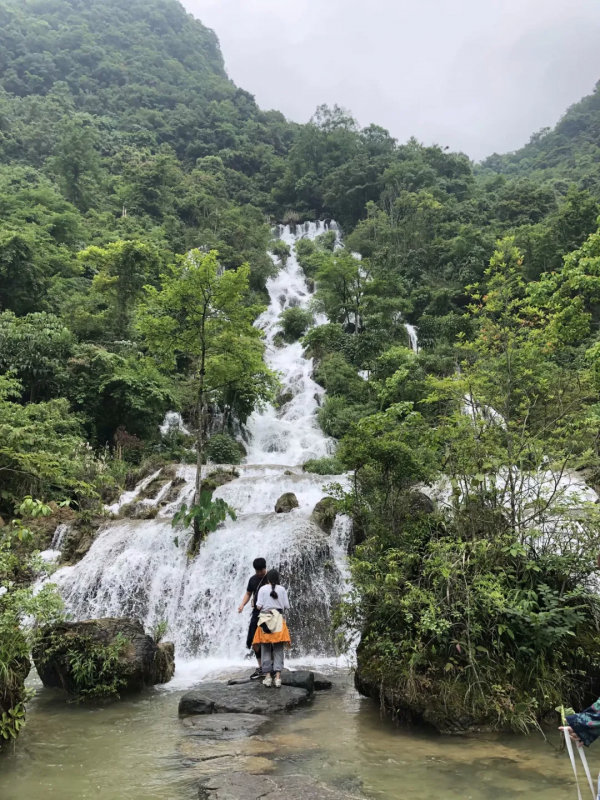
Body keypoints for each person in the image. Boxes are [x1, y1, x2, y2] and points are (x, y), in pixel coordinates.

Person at [252, 568, 291, 688]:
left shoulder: (263, 589)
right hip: (278, 620)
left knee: (265, 649)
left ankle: (268, 677)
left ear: (267, 579)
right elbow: (286, 605)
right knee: (278, 649)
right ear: (277, 578)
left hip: (265, 620)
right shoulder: (282, 589)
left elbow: (258, 606)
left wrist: (254, 604)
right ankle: (278, 678)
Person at [238, 557, 268, 680]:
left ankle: (270, 667)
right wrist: (242, 605)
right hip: (257, 613)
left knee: (270, 639)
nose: (259, 573)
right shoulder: (253, 580)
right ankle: (260, 667)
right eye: (257, 571)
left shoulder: (270, 578)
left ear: (265, 567)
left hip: (270, 613)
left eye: (261, 570)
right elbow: (248, 593)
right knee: (253, 639)